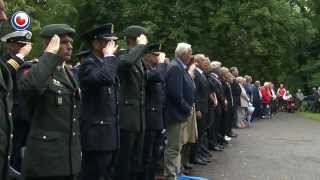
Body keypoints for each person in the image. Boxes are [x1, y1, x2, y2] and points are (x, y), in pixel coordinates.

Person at [19, 24, 82, 180]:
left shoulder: (69, 73)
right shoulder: (33, 69)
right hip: (45, 162)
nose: (70, 46)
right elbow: (31, 87)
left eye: (70, 42)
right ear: (49, 44)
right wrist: (49, 55)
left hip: (68, 159)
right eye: (64, 42)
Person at [78, 23, 120, 180]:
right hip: (96, 136)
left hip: (109, 135)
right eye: (107, 42)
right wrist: (109, 56)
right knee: (94, 174)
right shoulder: (88, 64)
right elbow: (106, 78)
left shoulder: (105, 64)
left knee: (107, 174)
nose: (112, 45)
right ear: (96, 43)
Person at [115, 25, 148, 180]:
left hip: (138, 119)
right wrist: (140, 46)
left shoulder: (140, 61)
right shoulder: (121, 56)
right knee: (124, 162)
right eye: (141, 39)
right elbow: (126, 63)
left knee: (136, 160)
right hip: (126, 119)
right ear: (132, 40)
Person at [1, 30, 33, 174]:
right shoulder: (4, 61)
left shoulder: (24, 62)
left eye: (25, 45)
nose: (24, 48)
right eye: (21, 44)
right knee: (13, 148)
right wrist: (21, 59)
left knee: (24, 147)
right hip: (12, 114)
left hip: (26, 113)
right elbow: (6, 74)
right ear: (11, 45)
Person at [164, 43, 195, 180]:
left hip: (179, 114)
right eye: (190, 53)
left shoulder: (180, 67)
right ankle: (171, 175)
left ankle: (175, 173)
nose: (191, 56)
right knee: (173, 148)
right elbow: (175, 94)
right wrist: (187, 108)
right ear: (183, 54)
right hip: (175, 114)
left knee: (177, 147)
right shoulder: (175, 68)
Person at [141, 44, 167, 180]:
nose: (158, 57)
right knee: (147, 156)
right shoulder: (144, 68)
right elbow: (155, 77)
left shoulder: (155, 68)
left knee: (155, 155)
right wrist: (162, 64)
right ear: (147, 55)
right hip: (148, 118)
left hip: (156, 117)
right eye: (156, 55)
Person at [207, 61, 224, 152]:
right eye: (220, 68)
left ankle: (215, 142)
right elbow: (216, 91)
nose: (221, 70)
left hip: (218, 105)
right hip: (215, 105)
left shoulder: (217, 78)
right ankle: (212, 144)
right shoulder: (212, 78)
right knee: (212, 126)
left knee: (216, 125)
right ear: (216, 69)